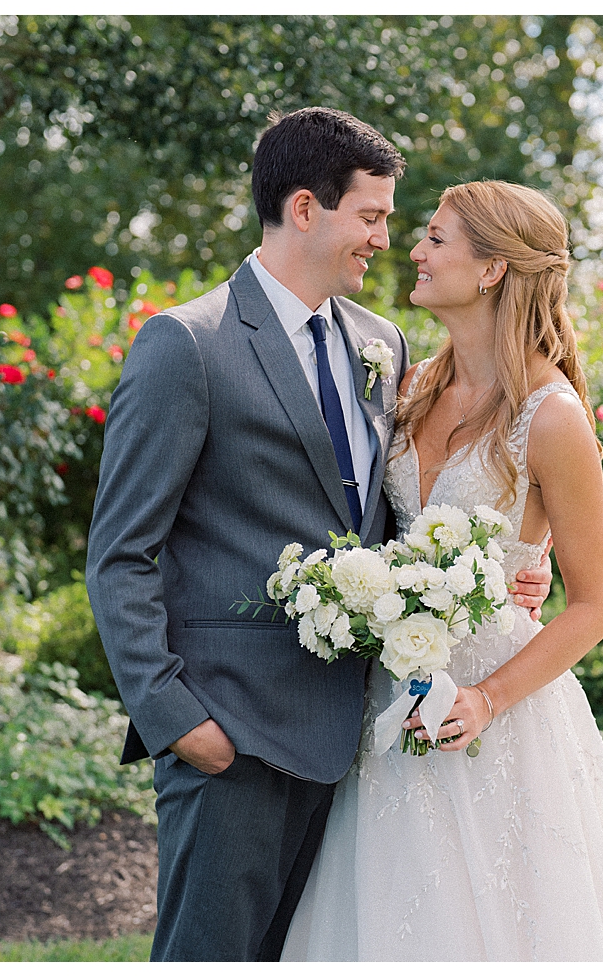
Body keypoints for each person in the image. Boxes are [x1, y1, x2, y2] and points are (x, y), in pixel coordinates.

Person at [84, 109, 550, 962]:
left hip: (355, 736)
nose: (386, 240)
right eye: (370, 216)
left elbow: (394, 516)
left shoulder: (383, 342)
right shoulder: (186, 344)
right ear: (306, 208)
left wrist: (511, 564)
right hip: (231, 733)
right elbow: (120, 551)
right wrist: (176, 717)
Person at [281, 180, 603, 961]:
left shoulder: (551, 417)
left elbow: (596, 604)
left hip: (501, 715)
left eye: (435, 237)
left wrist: (488, 697)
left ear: (492, 270)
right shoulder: (410, 383)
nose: (411, 250)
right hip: (388, 705)